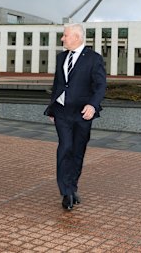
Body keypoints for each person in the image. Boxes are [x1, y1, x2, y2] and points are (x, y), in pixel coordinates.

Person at [45, 24, 106, 211]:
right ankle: (65, 191)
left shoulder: (94, 59)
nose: (62, 39)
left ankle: (72, 186)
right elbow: (58, 85)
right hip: (62, 112)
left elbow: (100, 85)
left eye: (65, 35)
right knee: (65, 148)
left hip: (82, 114)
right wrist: (53, 108)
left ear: (77, 37)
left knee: (78, 151)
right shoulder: (61, 57)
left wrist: (92, 105)